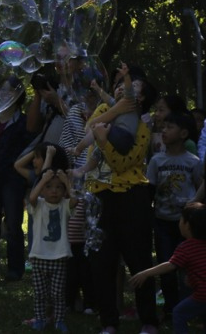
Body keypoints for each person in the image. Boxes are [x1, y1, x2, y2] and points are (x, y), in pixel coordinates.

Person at [84, 69, 159, 334]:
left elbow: (124, 161)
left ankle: (149, 320)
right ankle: (108, 322)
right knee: (102, 262)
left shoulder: (143, 123)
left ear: (141, 100)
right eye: (119, 84)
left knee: (138, 260)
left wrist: (104, 143)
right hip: (101, 197)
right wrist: (108, 120)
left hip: (132, 198)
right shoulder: (104, 108)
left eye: (132, 87)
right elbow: (88, 133)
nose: (120, 88)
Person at [146, 111, 203, 313]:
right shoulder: (156, 161)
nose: (164, 130)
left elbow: (199, 188)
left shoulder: (193, 161)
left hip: (187, 224)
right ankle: (171, 308)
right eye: (163, 126)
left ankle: (192, 306)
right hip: (162, 220)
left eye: (170, 127)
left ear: (184, 133)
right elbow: (149, 191)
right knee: (166, 264)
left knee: (190, 267)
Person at [0, 78, 34, 281]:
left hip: (13, 179)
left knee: (13, 225)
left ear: (18, 96)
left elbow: (29, 149)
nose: (3, 94)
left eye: (8, 91)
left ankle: (15, 269)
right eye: (1, 90)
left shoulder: (23, 122)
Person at [130, 203, 206, 334]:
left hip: (203, 295)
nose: (179, 222)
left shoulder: (186, 247)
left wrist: (146, 273)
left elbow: (170, 265)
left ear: (187, 225)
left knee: (179, 313)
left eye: (181, 219)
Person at [27, 169, 76, 332]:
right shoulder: (39, 205)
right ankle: (40, 319)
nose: (54, 191)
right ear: (42, 190)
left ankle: (59, 320)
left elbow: (75, 199)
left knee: (57, 294)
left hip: (59, 256)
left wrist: (66, 181)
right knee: (40, 293)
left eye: (58, 187)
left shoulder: (64, 205)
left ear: (64, 191)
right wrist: (43, 180)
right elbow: (32, 198)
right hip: (39, 256)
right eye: (49, 187)